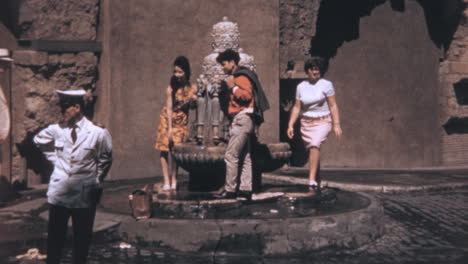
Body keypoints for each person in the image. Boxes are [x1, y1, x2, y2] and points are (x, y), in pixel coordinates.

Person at [33, 89, 112, 264]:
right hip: (60, 193)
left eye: (65, 108)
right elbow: (38, 141)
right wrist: (56, 160)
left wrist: (96, 179)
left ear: (77, 107)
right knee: (55, 241)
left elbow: (105, 158)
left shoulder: (98, 132)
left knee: (81, 241)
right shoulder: (56, 130)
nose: (62, 111)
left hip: (84, 193)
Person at [214, 49, 269, 200]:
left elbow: (246, 95)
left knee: (231, 155)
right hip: (244, 120)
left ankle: (230, 190)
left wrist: (233, 87)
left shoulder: (241, 76)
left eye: (224, 64)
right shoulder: (239, 76)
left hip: (242, 118)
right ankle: (245, 190)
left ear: (232, 62)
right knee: (245, 156)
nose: (222, 68)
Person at [287, 57, 342, 193]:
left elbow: (333, 105)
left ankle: (311, 181)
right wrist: (290, 125)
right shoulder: (301, 87)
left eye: (318, 69)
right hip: (306, 122)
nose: (316, 71)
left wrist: (336, 124)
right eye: (313, 69)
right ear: (308, 71)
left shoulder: (326, 84)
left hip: (323, 121)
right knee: (313, 150)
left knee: (315, 144)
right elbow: (297, 107)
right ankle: (317, 182)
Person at [155, 56, 197, 191]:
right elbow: (168, 108)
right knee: (164, 149)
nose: (177, 75)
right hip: (167, 119)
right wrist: (170, 129)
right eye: (175, 72)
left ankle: (174, 180)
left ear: (186, 72)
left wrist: (194, 101)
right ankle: (166, 180)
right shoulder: (171, 88)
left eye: (180, 72)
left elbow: (192, 108)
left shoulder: (192, 88)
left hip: (181, 120)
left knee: (175, 151)